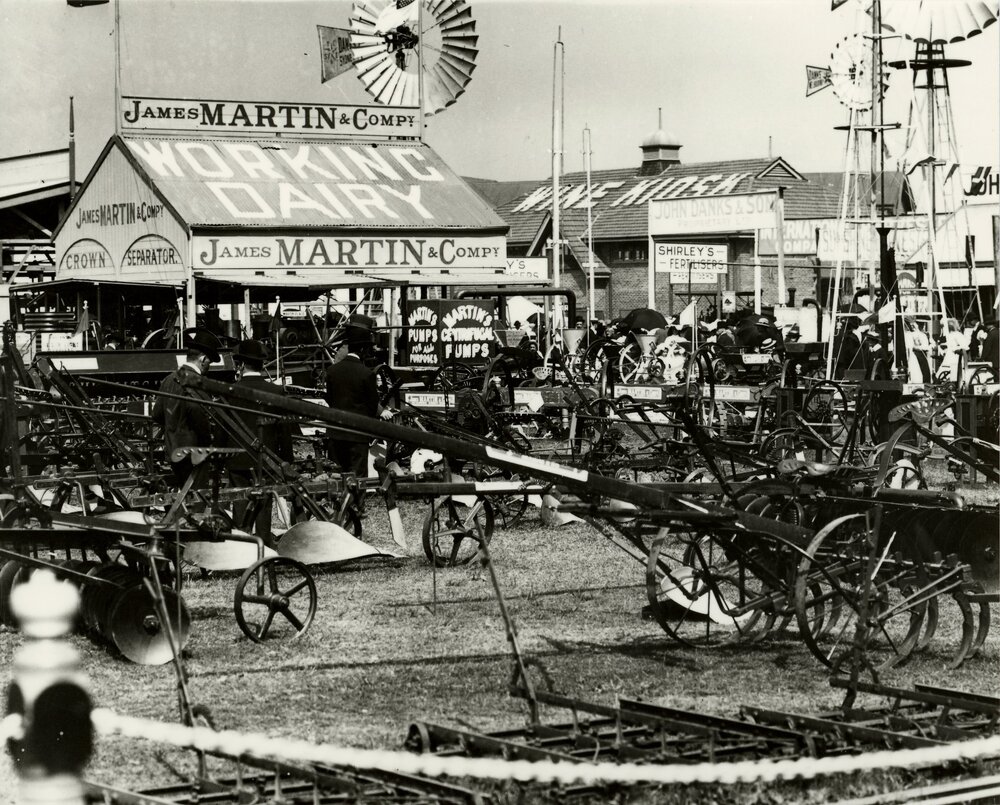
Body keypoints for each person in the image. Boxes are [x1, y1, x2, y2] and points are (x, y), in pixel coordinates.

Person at [226, 339, 292, 546]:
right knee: (264, 501)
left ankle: (240, 542)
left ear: (242, 364)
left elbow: (223, 428)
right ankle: (264, 540)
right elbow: (284, 429)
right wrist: (287, 460)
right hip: (267, 459)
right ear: (261, 365)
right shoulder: (276, 391)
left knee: (240, 499)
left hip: (236, 458)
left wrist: (220, 459)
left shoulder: (228, 391)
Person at [151, 328, 224, 486]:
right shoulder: (198, 383)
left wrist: (174, 427)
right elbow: (199, 415)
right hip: (194, 454)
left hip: (172, 451)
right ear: (203, 359)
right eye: (209, 362)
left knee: (181, 494)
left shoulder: (168, 379)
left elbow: (156, 414)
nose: (209, 366)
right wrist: (209, 440)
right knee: (197, 498)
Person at [324, 320, 383, 477]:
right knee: (357, 477)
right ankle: (356, 502)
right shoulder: (367, 374)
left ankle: (338, 502)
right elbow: (372, 406)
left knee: (336, 476)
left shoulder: (332, 371)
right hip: (358, 434)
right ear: (363, 349)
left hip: (335, 432)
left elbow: (329, 398)